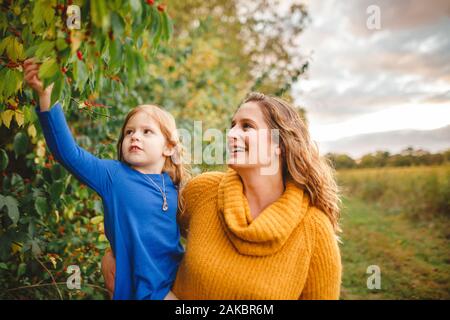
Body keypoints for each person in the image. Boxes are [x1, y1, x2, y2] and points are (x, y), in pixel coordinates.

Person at [103, 92, 343, 299]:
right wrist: (114, 254)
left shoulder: (314, 230)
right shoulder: (204, 192)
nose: (231, 134)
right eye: (232, 126)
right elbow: (148, 223)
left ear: (278, 143)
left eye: (247, 126)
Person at [23, 58, 188, 300]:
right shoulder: (114, 176)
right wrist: (46, 96)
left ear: (168, 148)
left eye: (147, 132)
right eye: (129, 132)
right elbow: (67, 153)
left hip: (178, 288)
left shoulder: (178, 189)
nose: (135, 137)